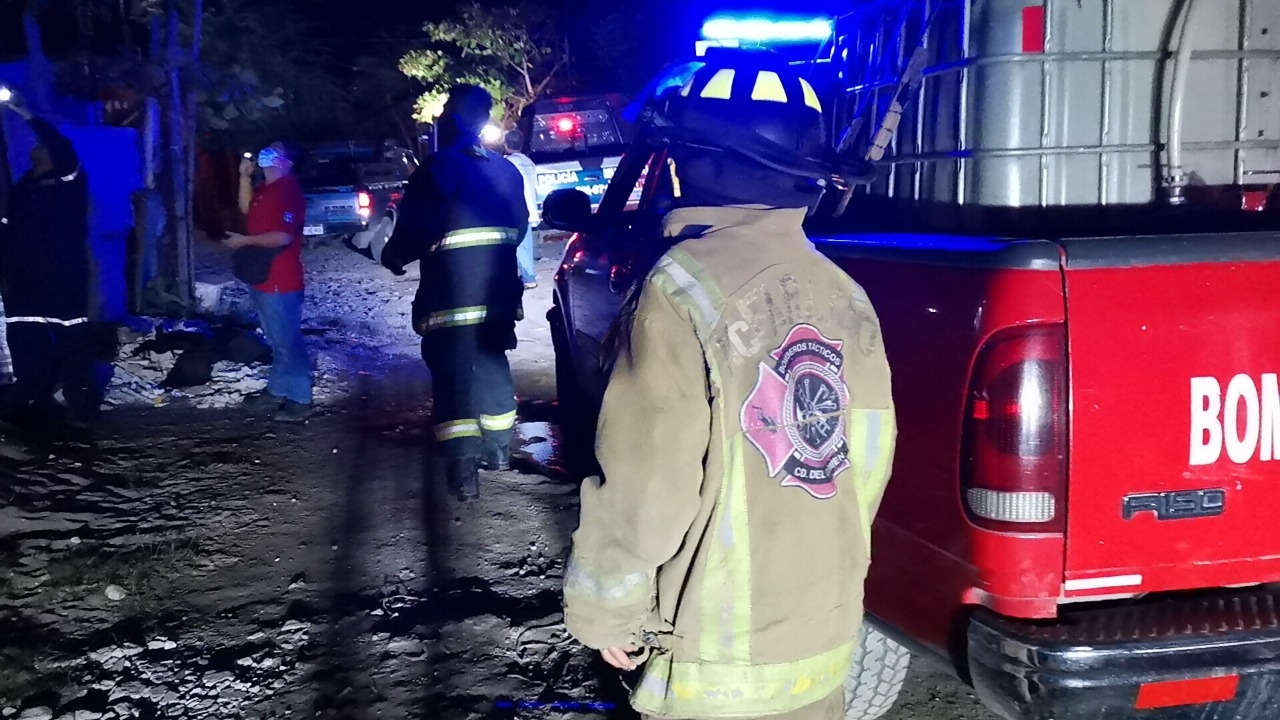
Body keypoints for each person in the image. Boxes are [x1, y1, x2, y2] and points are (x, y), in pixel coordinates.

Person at [562, 59, 896, 720]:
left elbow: (649, 483)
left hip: (718, 664)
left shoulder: (681, 287)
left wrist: (606, 611)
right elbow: (868, 462)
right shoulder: (846, 297)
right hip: (820, 642)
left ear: (689, 161)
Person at [380, 85, 529, 501]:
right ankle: (499, 451)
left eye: (446, 110)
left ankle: (463, 467)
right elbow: (518, 230)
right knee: (494, 363)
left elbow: (416, 227)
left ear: (455, 119)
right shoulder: (506, 169)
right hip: (498, 293)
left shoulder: (436, 169)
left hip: (450, 295)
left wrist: (394, 256)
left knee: (452, 374)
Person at [0, 96, 100, 428]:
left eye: (41, 145)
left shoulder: (68, 180)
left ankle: (80, 407)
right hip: (25, 284)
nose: (36, 149)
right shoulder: (22, 189)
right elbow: (9, 233)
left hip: (63, 280)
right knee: (26, 343)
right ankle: (29, 398)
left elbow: (61, 146)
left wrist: (24, 112)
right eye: (36, 146)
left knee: (73, 346)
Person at [224, 141, 312, 423]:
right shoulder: (268, 188)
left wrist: (244, 242)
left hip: (280, 279)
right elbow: (247, 208)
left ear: (287, 162)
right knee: (275, 339)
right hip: (262, 277)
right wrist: (244, 176)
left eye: (274, 152)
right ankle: (277, 389)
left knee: (287, 340)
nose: (266, 154)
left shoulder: (288, 191)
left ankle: (300, 397)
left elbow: (283, 236)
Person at [503, 130, 540, 289]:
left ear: (505, 144)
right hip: (529, 209)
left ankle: (528, 278)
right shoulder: (528, 162)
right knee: (525, 245)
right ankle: (527, 274)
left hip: (516, 210)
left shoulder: (507, 162)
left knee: (517, 246)